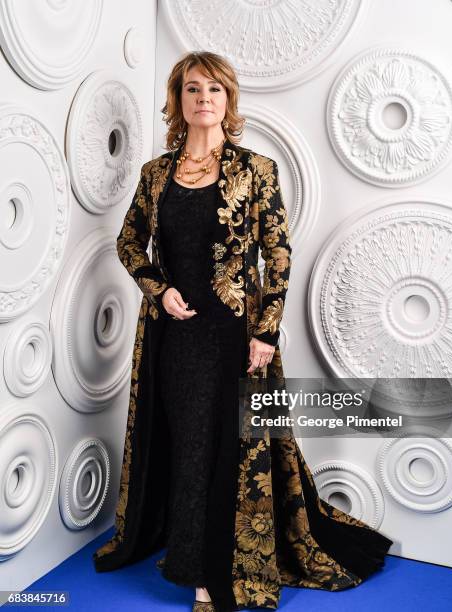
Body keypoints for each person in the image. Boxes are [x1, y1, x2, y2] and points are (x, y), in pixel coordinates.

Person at [92, 51, 394, 612]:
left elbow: (277, 254)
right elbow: (129, 242)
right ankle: (185, 553)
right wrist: (157, 287)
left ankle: (211, 572)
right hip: (171, 337)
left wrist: (268, 333)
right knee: (185, 447)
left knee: (224, 451)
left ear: (227, 101)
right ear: (178, 99)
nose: (203, 98)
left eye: (214, 89)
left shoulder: (256, 170)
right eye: (192, 88)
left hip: (235, 337)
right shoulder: (156, 173)